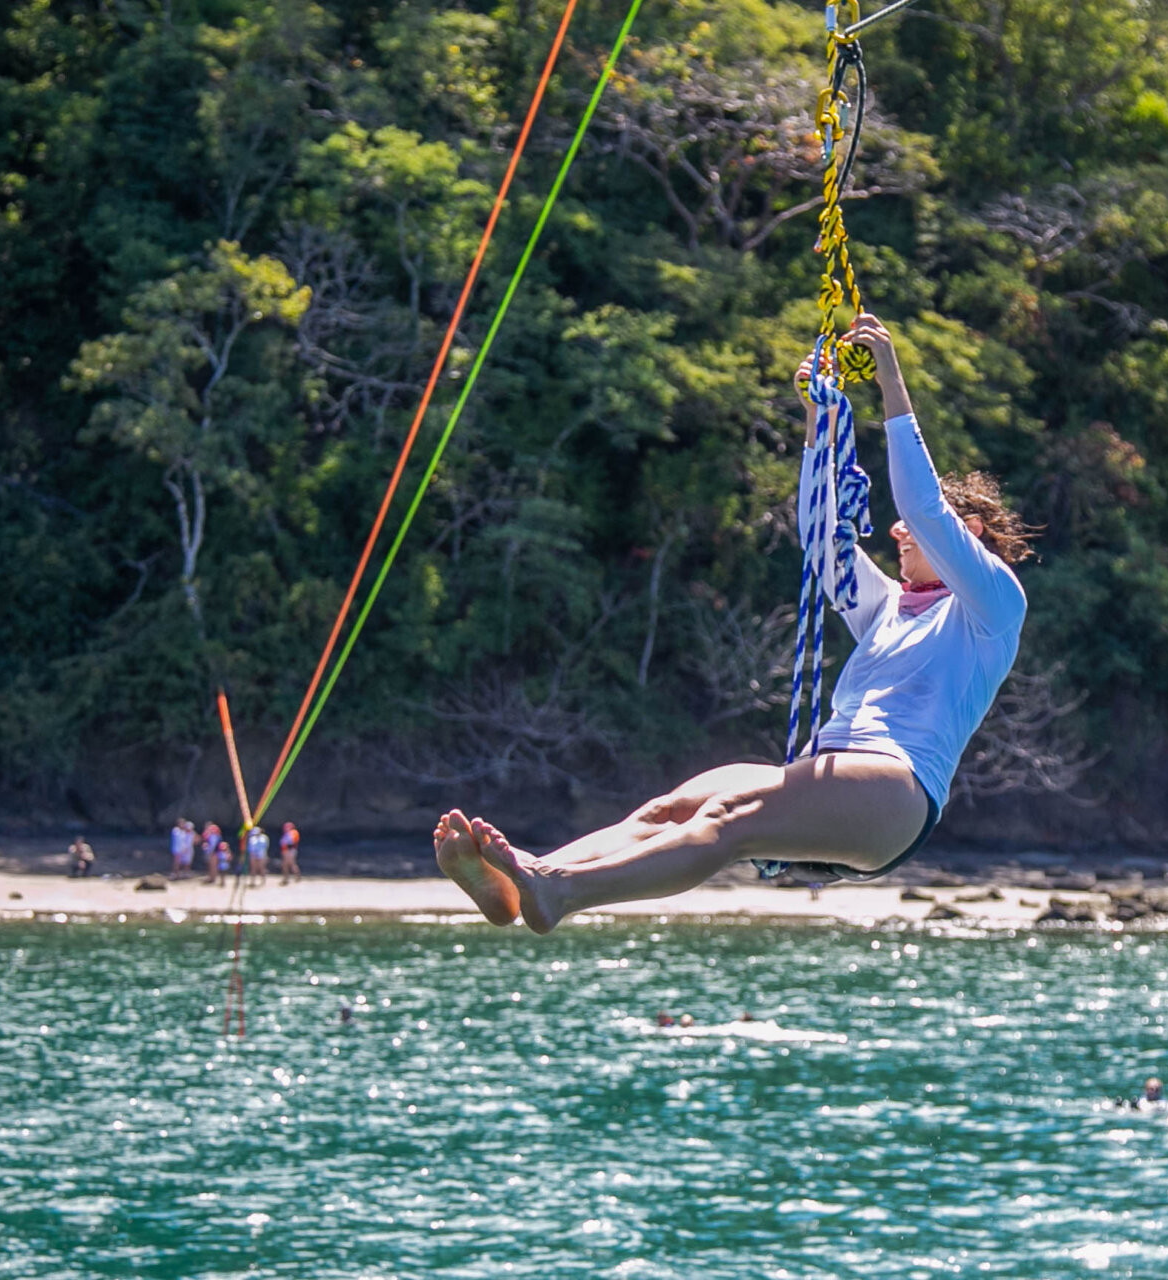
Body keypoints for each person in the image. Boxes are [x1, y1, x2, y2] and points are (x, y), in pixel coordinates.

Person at [432, 315, 1031, 932]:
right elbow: (821, 538)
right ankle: (523, 878)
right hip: (835, 772)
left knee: (727, 818)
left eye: (916, 529)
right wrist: (816, 423)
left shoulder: (993, 609)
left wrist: (890, 384)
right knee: (669, 811)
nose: (898, 530)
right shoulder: (886, 608)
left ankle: (562, 892)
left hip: (897, 794)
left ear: (973, 537)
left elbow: (924, 509)